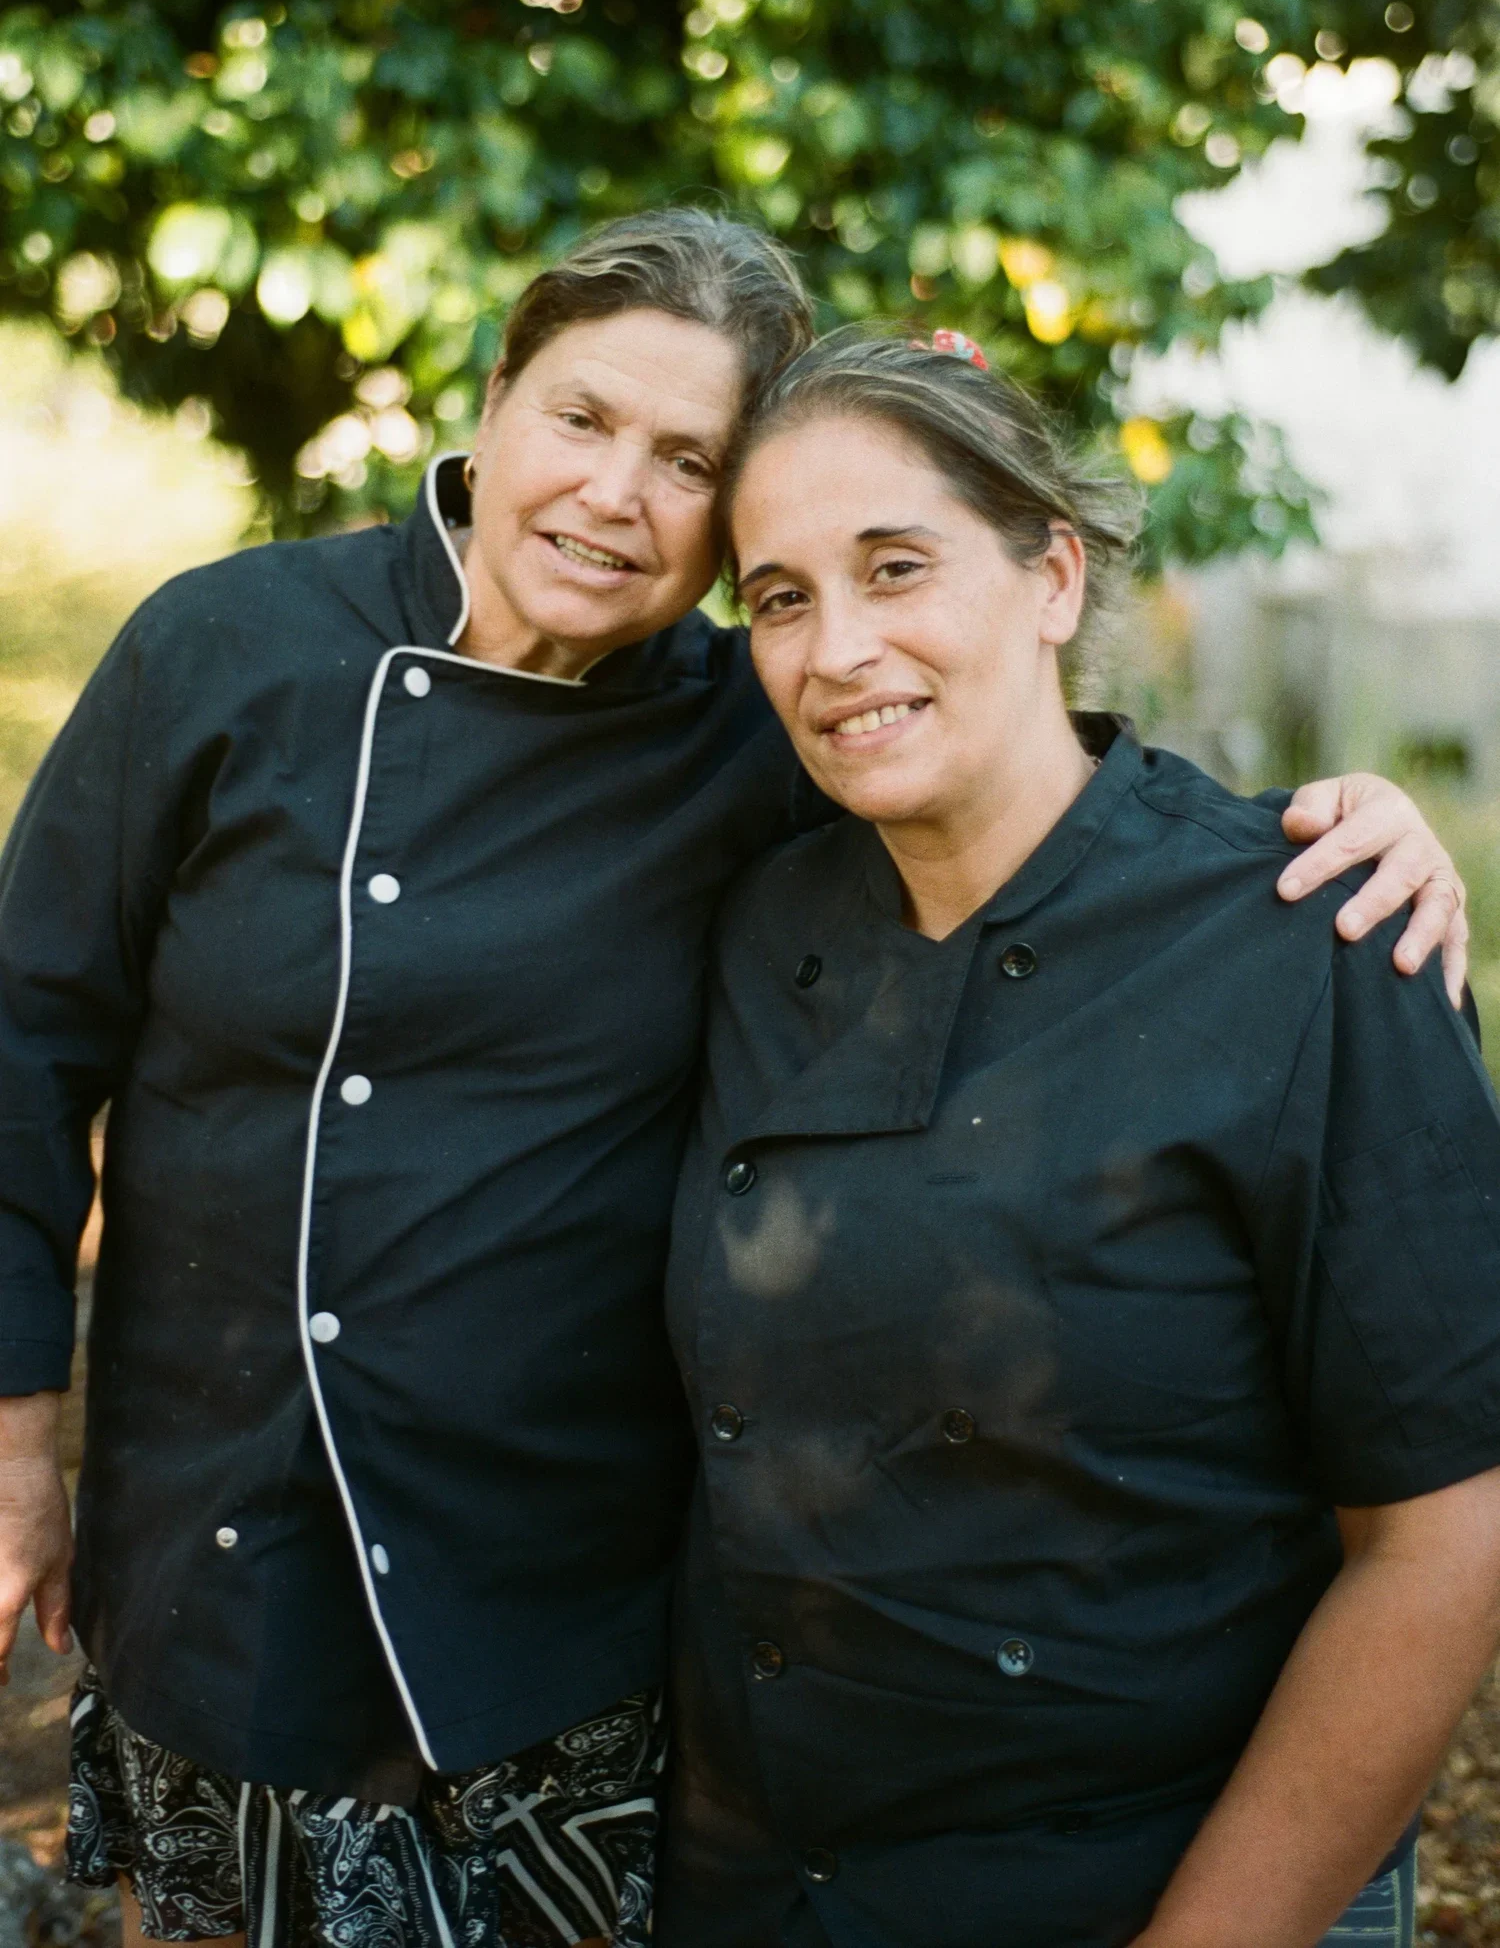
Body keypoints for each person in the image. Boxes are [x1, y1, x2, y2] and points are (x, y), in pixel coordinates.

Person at [0, 217, 1466, 1948]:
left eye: (688, 460)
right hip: (246, 1545)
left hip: (565, 1612)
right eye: (582, 419)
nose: (618, 494)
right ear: (491, 404)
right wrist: (19, 1427)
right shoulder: (231, 651)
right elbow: (27, 1029)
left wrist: (1329, 827)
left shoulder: (751, 724)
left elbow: (1034, 791)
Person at [658, 328, 1500, 1948]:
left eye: (895, 566)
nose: (837, 647)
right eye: (778, 595)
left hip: (1153, 1888)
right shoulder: (750, 921)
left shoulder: (1311, 940)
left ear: (1053, 576)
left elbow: (1444, 1541)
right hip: (761, 1889)